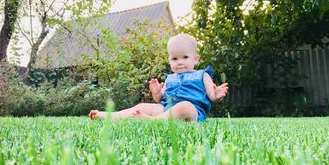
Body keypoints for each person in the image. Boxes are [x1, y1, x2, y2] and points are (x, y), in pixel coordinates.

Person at [89, 33, 228, 122]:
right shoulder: (170, 78)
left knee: (185, 106)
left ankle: (152, 121)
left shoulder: (202, 75)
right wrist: (156, 92)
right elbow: (160, 99)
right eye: (174, 58)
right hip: (166, 109)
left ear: (196, 59)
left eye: (185, 57)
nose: (179, 62)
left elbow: (211, 96)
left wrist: (217, 95)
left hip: (192, 113)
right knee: (142, 106)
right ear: (169, 60)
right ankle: (110, 117)